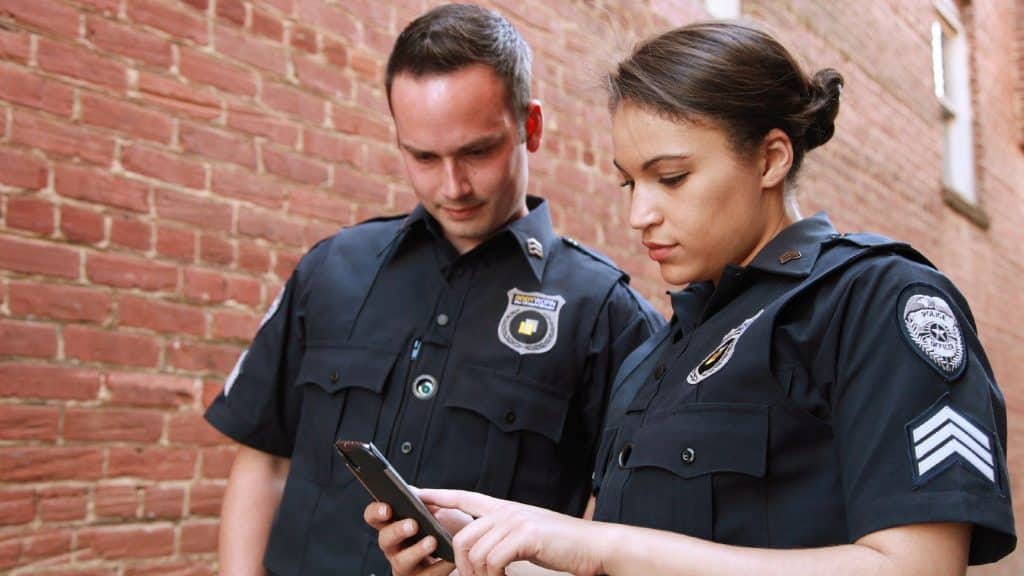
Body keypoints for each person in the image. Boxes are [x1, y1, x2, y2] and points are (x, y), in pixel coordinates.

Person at [367, 21, 1017, 576]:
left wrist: (601, 545)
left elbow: (918, 566)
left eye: (670, 178)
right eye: (629, 183)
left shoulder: (874, 302)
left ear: (770, 159)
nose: (639, 215)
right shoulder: (653, 358)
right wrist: (506, 555)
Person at [204, 4, 663, 575]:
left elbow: (622, 531)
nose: (453, 185)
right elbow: (264, 461)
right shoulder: (332, 269)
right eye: (422, 156)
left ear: (530, 127)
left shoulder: (606, 316)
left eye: (477, 151)